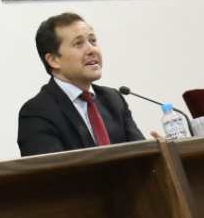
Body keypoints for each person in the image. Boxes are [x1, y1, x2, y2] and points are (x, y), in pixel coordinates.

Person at [17, 13, 143, 156]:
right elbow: (53, 169)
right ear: (53, 60)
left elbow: (142, 156)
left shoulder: (113, 99)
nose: (91, 50)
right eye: (78, 44)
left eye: (93, 41)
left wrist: (158, 149)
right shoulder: (37, 113)